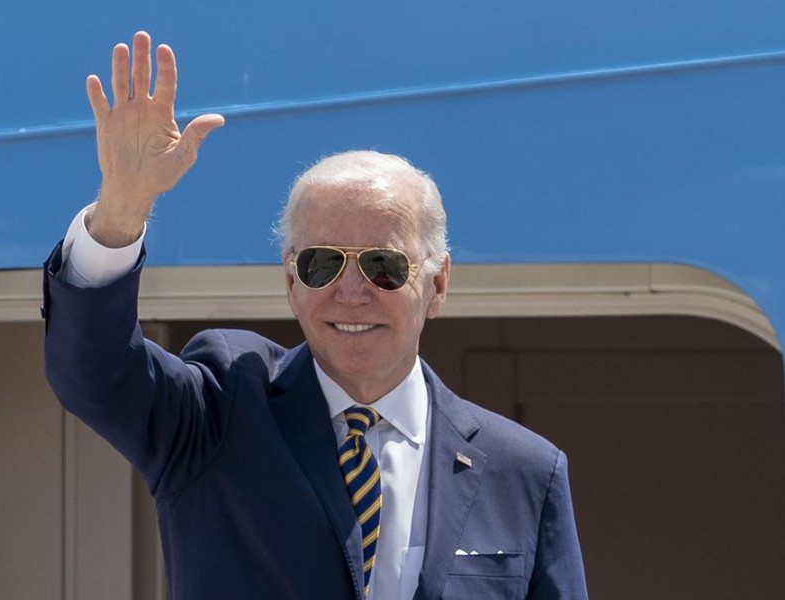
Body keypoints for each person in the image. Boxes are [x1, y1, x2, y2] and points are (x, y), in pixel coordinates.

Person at [43, 31, 588, 599]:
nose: (351, 292)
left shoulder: (524, 471)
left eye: (383, 265)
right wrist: (122, 209)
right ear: (290, 282)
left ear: (438, 282)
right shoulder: (222, 409)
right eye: (322, 264)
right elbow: (95, 374)